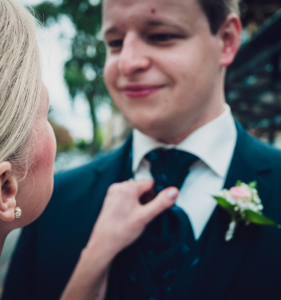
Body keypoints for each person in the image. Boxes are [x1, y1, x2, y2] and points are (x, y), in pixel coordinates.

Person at [4, 0, 281, 299]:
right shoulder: (49, 203)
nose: (128, 63)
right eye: (115, 42)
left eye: (160, 36)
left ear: (226, 41)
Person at [0, 1, 178, 299]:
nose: (128, 62)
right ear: (5, 188)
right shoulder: (56, 208)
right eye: (47, 112)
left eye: (161, 36)